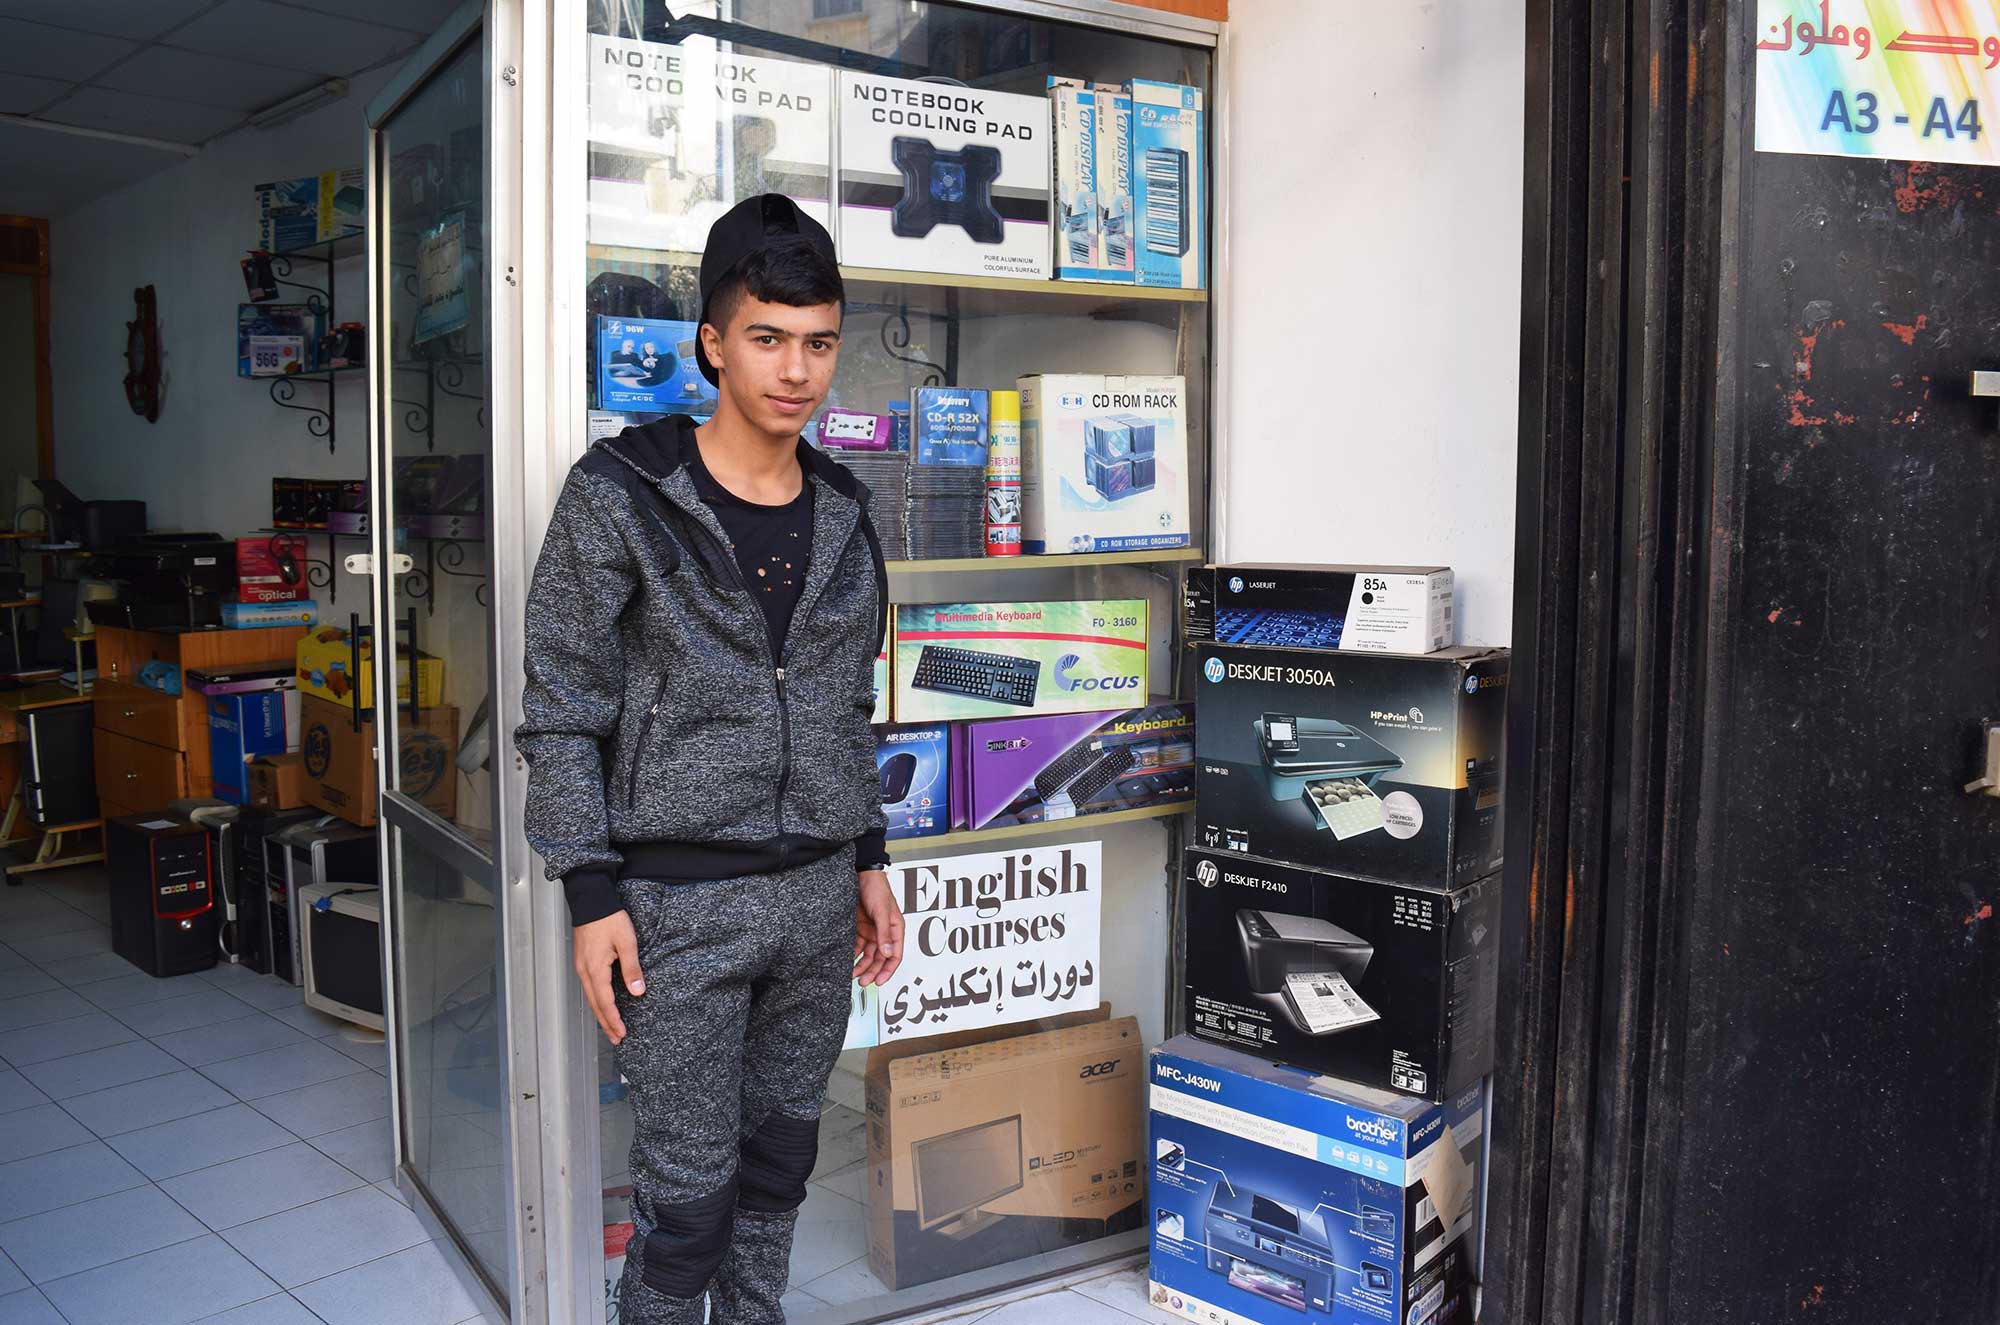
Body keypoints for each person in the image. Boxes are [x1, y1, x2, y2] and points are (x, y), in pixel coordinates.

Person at [516, 194, 903, 1325]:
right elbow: (561, 710)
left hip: (817, 898)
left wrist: (867, 855)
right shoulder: (622, 495)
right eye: (768, 338)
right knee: (686, 1201)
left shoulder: (842, 507)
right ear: (713, 343)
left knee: (779, 1170)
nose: (796, 370)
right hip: (677, 909)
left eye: (819, 341)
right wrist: (591, 892)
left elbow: (843, 705)